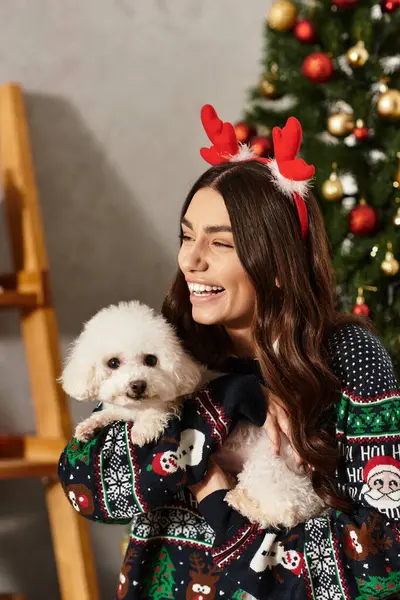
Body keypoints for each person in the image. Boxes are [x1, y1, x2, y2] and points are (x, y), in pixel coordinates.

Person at [58, 105, 400, 600]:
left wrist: (216, 500)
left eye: (219, 244)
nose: (190, 260)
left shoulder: (347, 356)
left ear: (279, 265)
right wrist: (232, 398)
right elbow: (86, 484)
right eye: (187, 236)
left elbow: (386, 551)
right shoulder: (172, 342)